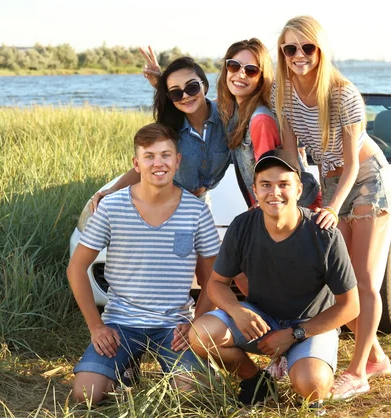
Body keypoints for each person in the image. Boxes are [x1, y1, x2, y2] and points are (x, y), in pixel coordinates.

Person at [274, 16, 391, 400]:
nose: (298, 55)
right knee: (336, 279)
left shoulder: (344, 95)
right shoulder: (284, 93)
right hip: (330, 182)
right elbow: (293, 156)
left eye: (307, 47)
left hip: (365, 182)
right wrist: (291, 197)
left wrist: (332, 205)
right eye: (290, 48)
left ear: (321, 50)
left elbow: (354, 163)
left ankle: (359, 372)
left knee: (362, 278)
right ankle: (376, 356)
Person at [189, 149, 359, 411]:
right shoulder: (242, 226)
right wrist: (236, 310)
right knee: (201, 334)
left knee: (311, 384)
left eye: (283, 184)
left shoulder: (324, 233)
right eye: (266, 185)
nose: (274, 192)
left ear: (299, 189)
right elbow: (216, 284)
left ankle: (301, 364)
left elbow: (350, 306)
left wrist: (294, 335)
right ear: (255, 190)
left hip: (309, 325)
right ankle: (257, 382)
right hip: (261, 320)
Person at [67, 123, 221, 404]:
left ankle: (144, 369)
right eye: (149, 156)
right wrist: (96, 326)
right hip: (120, 323)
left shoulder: (196, 211)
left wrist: (196, 323)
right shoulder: (111, 207)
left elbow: (212, 275)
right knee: (84, 395)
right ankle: (124, 368)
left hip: (174, 326)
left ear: (178, 161)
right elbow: (76, 267)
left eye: (165, 155)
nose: (158, 163)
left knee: (195, 397)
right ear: (136, 163)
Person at [90, 55, 230, 316]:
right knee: (180, 265)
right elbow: (148, 166)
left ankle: (199, 326)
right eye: (176, 94)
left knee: (208, 268)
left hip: (197, 203)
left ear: (204, 84)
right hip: (168, 203)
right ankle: (157, 319)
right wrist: (111, 191)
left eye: (192, 87)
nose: (186, 96)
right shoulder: (170, 128)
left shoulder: (227, 117)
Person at [216, 38, 320, 209]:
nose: (240, 74)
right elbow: (196, 106)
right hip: (274, 207)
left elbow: (272, 181)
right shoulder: (235, 112)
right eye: (234, 66)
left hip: (294, 211)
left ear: (262, 77)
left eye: (251, 70)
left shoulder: (261, 120)